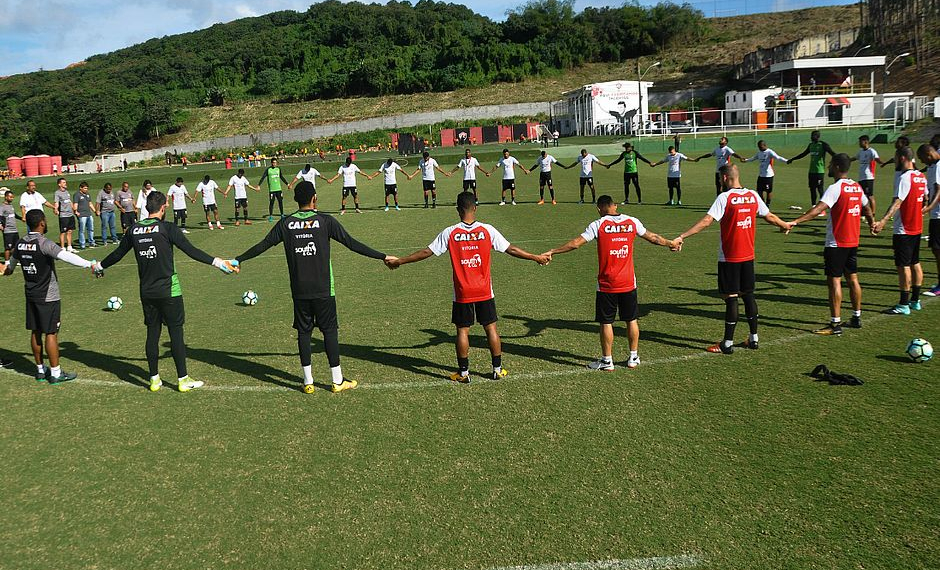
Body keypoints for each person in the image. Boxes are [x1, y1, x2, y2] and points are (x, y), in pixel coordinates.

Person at [231, 182, 393, 394]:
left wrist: (239, 259)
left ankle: (308, 381)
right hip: (324, 288)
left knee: (304, 333)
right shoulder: (325, 221)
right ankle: (337, 381)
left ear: (296, 200)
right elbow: (351, 243)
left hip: (299, 290)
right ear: (314, 198)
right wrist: (382, 256)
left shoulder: (285, 223)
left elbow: (263, 245)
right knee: (329, 332)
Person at [387, 192, 549, 382]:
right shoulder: (487, 230)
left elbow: (425, 252)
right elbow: (511, 249)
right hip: (484, 290)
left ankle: (464, 373)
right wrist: (535, 257)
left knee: (463, 331)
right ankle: (497, 369)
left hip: (463, 292)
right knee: (491, 328)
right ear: (475, 208)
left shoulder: (450, 232)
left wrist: (400, 261)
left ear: (457, 210)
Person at [98, 191, 238, 392]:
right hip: (169, 291)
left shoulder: (134, 230)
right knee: (176, 334)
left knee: (152, 333)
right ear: (163, 207)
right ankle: (182, 379)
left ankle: (154, 379)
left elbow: (117, 254)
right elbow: (191, 251)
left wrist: (100, 266)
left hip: (147, 292)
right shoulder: (167, 228)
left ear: (147, 208)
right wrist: (219, 263)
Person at [543, 195, 678, 371]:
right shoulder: (632, 221)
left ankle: (607, 361)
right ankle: (633, 357)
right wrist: (670, 243)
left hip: (607, 284)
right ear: (614, 206)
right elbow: (654, 237)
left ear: (599, 209)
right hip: (628, 282)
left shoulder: (598, 224)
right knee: (631, 320)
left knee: (606, 322)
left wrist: (553, 251)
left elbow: (576, 244)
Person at [673, 164, 791, 354]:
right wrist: (783, 224)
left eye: (721, 179)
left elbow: (707, 220)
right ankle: (754, 339)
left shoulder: (725, 197)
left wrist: (683, 236)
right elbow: (768, 215)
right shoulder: (752, 195)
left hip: (729, 257)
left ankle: (727, 343)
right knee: (748, 294)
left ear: (726, 178)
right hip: (748, 255)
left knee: (731, 298)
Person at [1, 209, 97, 383]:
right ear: (42, 223)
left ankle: (39, 370)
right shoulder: (44, 243)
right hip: (48, 296)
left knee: (35, 331)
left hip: (31, 295)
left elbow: (9, 269)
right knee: (51, 333)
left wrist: (4, 269)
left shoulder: (21, 243)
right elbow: (66, 256)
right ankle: (55, 373)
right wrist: (89, 264)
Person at [788, 153, 874, 334]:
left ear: (836, 166)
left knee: (834, 281)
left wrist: (795, 221)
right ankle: (857, 317)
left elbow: (818, 209)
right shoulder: (856, 187)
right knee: (853, 279)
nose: (828, 167)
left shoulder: (836, 188)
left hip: (836, 243)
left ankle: (835, 324)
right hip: (853, 241)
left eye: (830, 165)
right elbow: (866, 207)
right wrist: (872, 222)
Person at [871, 146, 929, 314]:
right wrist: (920, 211)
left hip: (904, 229)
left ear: (902, 158)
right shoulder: (921, 176)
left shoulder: (905, 177)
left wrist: (882, 221)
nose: (894, 161)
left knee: (903, 266)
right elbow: (925, 198)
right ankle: (915, 301)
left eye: (896, 158)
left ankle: (903, 304)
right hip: (917, 227)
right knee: (915, 263)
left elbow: (898, 202)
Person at [788, 130, 836, 206]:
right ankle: (813, 206)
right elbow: (803, 154)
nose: (811, 137)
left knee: (820, 189)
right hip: (811, 171)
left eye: (813, 136)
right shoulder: (811, 145)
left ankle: (822, 207)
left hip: (819, 171)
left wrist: (838, 161)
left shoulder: (823, 145)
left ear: (818, 137)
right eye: (811, 136)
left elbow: (833, 154)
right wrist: (793, 159)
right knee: (812, 189)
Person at [741, 140, 788, 207]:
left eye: (761, 147)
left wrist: (786, 161)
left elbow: (778, 157)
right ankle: (762, 204)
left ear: (764, 145)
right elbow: (753, 158)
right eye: (758, 147)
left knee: (768, 191)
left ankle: (767, 204)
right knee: (759, 191)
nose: (759, 148)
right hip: (761, 175)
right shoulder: (759, 153)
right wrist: (745, 160)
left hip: (768, 175)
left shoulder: (769, 152)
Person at [849, 135, 885, 214]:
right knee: (862, 195)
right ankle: (863, 212)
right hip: (861, 177)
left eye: (860, 141)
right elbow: (854, 158)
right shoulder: (861, 151)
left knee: (870, 196)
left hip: (869, 177)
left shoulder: (871, 151)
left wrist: (882, 163)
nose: (859, 143)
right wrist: (846, 160)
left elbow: (876, 159)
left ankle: (873, 213)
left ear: (866, 142)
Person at [921, 145, 940, 297]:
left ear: (928, 154)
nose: (923, 162)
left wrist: (929, 208)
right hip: (936, 214)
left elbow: (939, 190)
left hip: (938, 215)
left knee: (937, 249)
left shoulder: (939, 166)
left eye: (923, 159)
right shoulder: (935, 166)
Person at [52, 178, 75, 252]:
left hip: (70, 214)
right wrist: (55, 209)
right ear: (59, 184)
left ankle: (69, 246)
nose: (65, 183)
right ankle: (62, 248)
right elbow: (56, 202)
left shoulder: (67, 192)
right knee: (63, 232)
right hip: (63, 215)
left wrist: (74, 209)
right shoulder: (57, 193)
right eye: (64, 182)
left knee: (70, 231)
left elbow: (69, 201)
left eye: (65, 182)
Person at [73, 181, 97, 249]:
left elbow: (90, 203)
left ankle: (91, 242)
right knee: (82, 230)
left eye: (87, 188)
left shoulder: (87, 194)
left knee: (91, 229)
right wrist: (75, 211)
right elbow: (75, 204)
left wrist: (95, 211)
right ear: (80, 188)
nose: (86, 190)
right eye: (85, 188)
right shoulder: (77, 195)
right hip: (82, 215)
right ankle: (82, 244)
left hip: (89, 214)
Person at [2, 189, 19, 262]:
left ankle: (14, 260)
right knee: (8, 247)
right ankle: (6, 262)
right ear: (6, 197)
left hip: (14, 229)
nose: (12, 198)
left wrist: (21, 218)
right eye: (10, 197)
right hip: (8, 230)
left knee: (15, 246)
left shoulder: (10, 206)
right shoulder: (2, 207)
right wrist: (0, 224)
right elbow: (0, 216)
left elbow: (14, 214)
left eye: (12, 197)